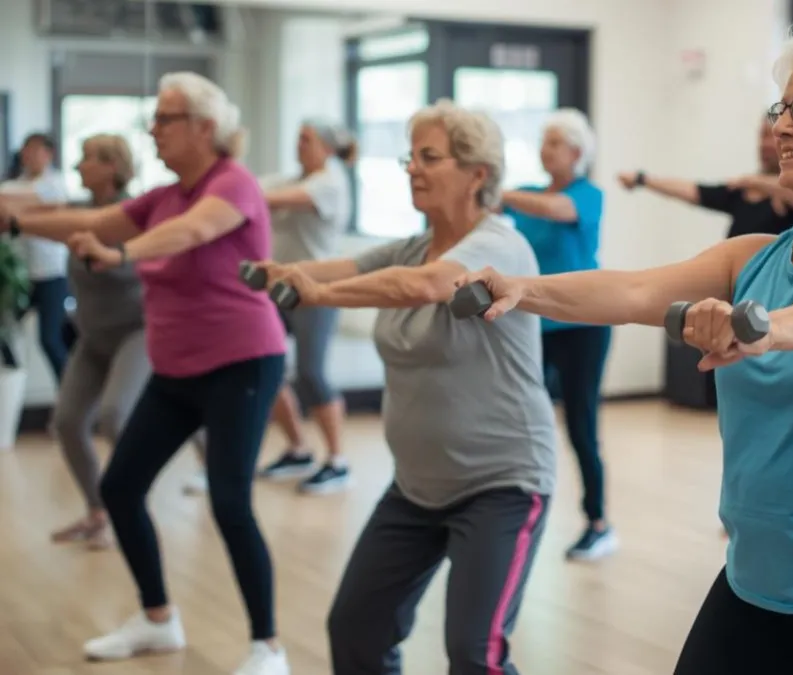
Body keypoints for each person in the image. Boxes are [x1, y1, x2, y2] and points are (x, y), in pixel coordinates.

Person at [459, 24, 793, 674]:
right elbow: (636, 290)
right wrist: (523, 287)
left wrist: (759, 327)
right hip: (763, 570)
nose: (782, 125)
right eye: (783, 107)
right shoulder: (752, 259)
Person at [252, 99, 556, 675]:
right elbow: (347, 267)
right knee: (356, 633)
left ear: (477, 174)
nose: (412, 168)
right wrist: (280, 273)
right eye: (410, 157)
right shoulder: (411, 245)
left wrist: (314, 295)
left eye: (430, 157)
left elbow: (422, 287)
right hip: (417, 487)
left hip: (503, 483)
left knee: (474, 655)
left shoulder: (498, 247)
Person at [0, 72, 290, 675]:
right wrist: (16, 222)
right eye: (154, 118)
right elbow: (89, 220)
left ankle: (268, 648)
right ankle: (158, 620)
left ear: (204, 128)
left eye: (165, 118)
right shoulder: (163, 194)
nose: (153, 129)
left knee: (231, 502)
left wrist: (123, 253)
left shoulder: (232, 184)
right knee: (121, 487)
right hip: (176, 367)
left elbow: (191, 233)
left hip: (242, 363)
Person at [13, 134, 205, 550]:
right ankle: (98, 511)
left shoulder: (137, 214)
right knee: (66, 422)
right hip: (93, 336)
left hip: (136, 332)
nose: (79, 165)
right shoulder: (77, 210)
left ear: (112, 167)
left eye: (88, 158)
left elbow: (140, 265)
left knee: (116, 415)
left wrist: (103, 250)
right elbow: (33, 213)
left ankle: (131, 508)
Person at [497, 109, 615, 561]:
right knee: (521, 416)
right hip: (535, 325)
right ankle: (512, 509)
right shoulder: (524, 194)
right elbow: (487, 206)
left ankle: (598, 522)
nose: (544, 150)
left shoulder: (588, 196)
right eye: (542, 142)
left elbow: (554, 209)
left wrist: (501, 194)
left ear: (577, 153)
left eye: (553, 143)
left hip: (584, 327)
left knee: (581, 425)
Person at [252, 120, 356, 494]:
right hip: (282, 288)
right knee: (269, 367)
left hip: (317, 289)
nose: (299, 145)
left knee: (311, 374)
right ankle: (298, 448)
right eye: (297, 138)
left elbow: (273, 198)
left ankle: (338, 460)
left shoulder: (330, 181)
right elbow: (258, 187)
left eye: (307, 139)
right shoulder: (293, 177)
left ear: (327, 148)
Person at [616, 117, 793, 238]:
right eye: (761, 136)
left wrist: (754, 181)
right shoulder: (741, 190)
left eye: (771, 137)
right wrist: (643, 180)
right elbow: (693, 190)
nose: (763, 144)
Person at [0, 132, 73, 381]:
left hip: (52, 274)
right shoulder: (11, 185)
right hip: (20, 276)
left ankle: (68, 396)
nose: (28, 155)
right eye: (26, 150)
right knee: (4, 331)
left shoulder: (57, 183)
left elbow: (54, 202)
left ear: (48, 154)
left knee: (50, 340)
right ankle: (11, 377)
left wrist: (16, 208)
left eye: (35, 150)